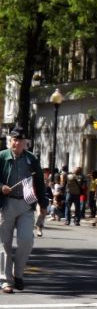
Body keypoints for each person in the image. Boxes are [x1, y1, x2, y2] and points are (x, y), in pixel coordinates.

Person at [0, 126, 49, 294]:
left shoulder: (31, 159)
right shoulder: (2, 157)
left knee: (26, 241)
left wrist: (43, 204)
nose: (17, 143)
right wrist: (1, 187)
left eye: (20, 140)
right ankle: (6, 280)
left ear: (25, 142)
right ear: (10, 141)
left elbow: (40, 182)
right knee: (4, 243)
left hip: (26, 205)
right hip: (6, 204)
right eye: (14, 139)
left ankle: (18, 274)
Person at [34, 167, 52, 237]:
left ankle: (39, 229)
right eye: (45, 172)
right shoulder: (37, 179)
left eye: (47, 172)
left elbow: (49, 190)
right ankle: (38, 228)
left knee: (43, 215)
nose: (46, 173)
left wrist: (48, 182)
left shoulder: (48, 180)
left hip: (45, 198)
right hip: (38, 198)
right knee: (39, 214)